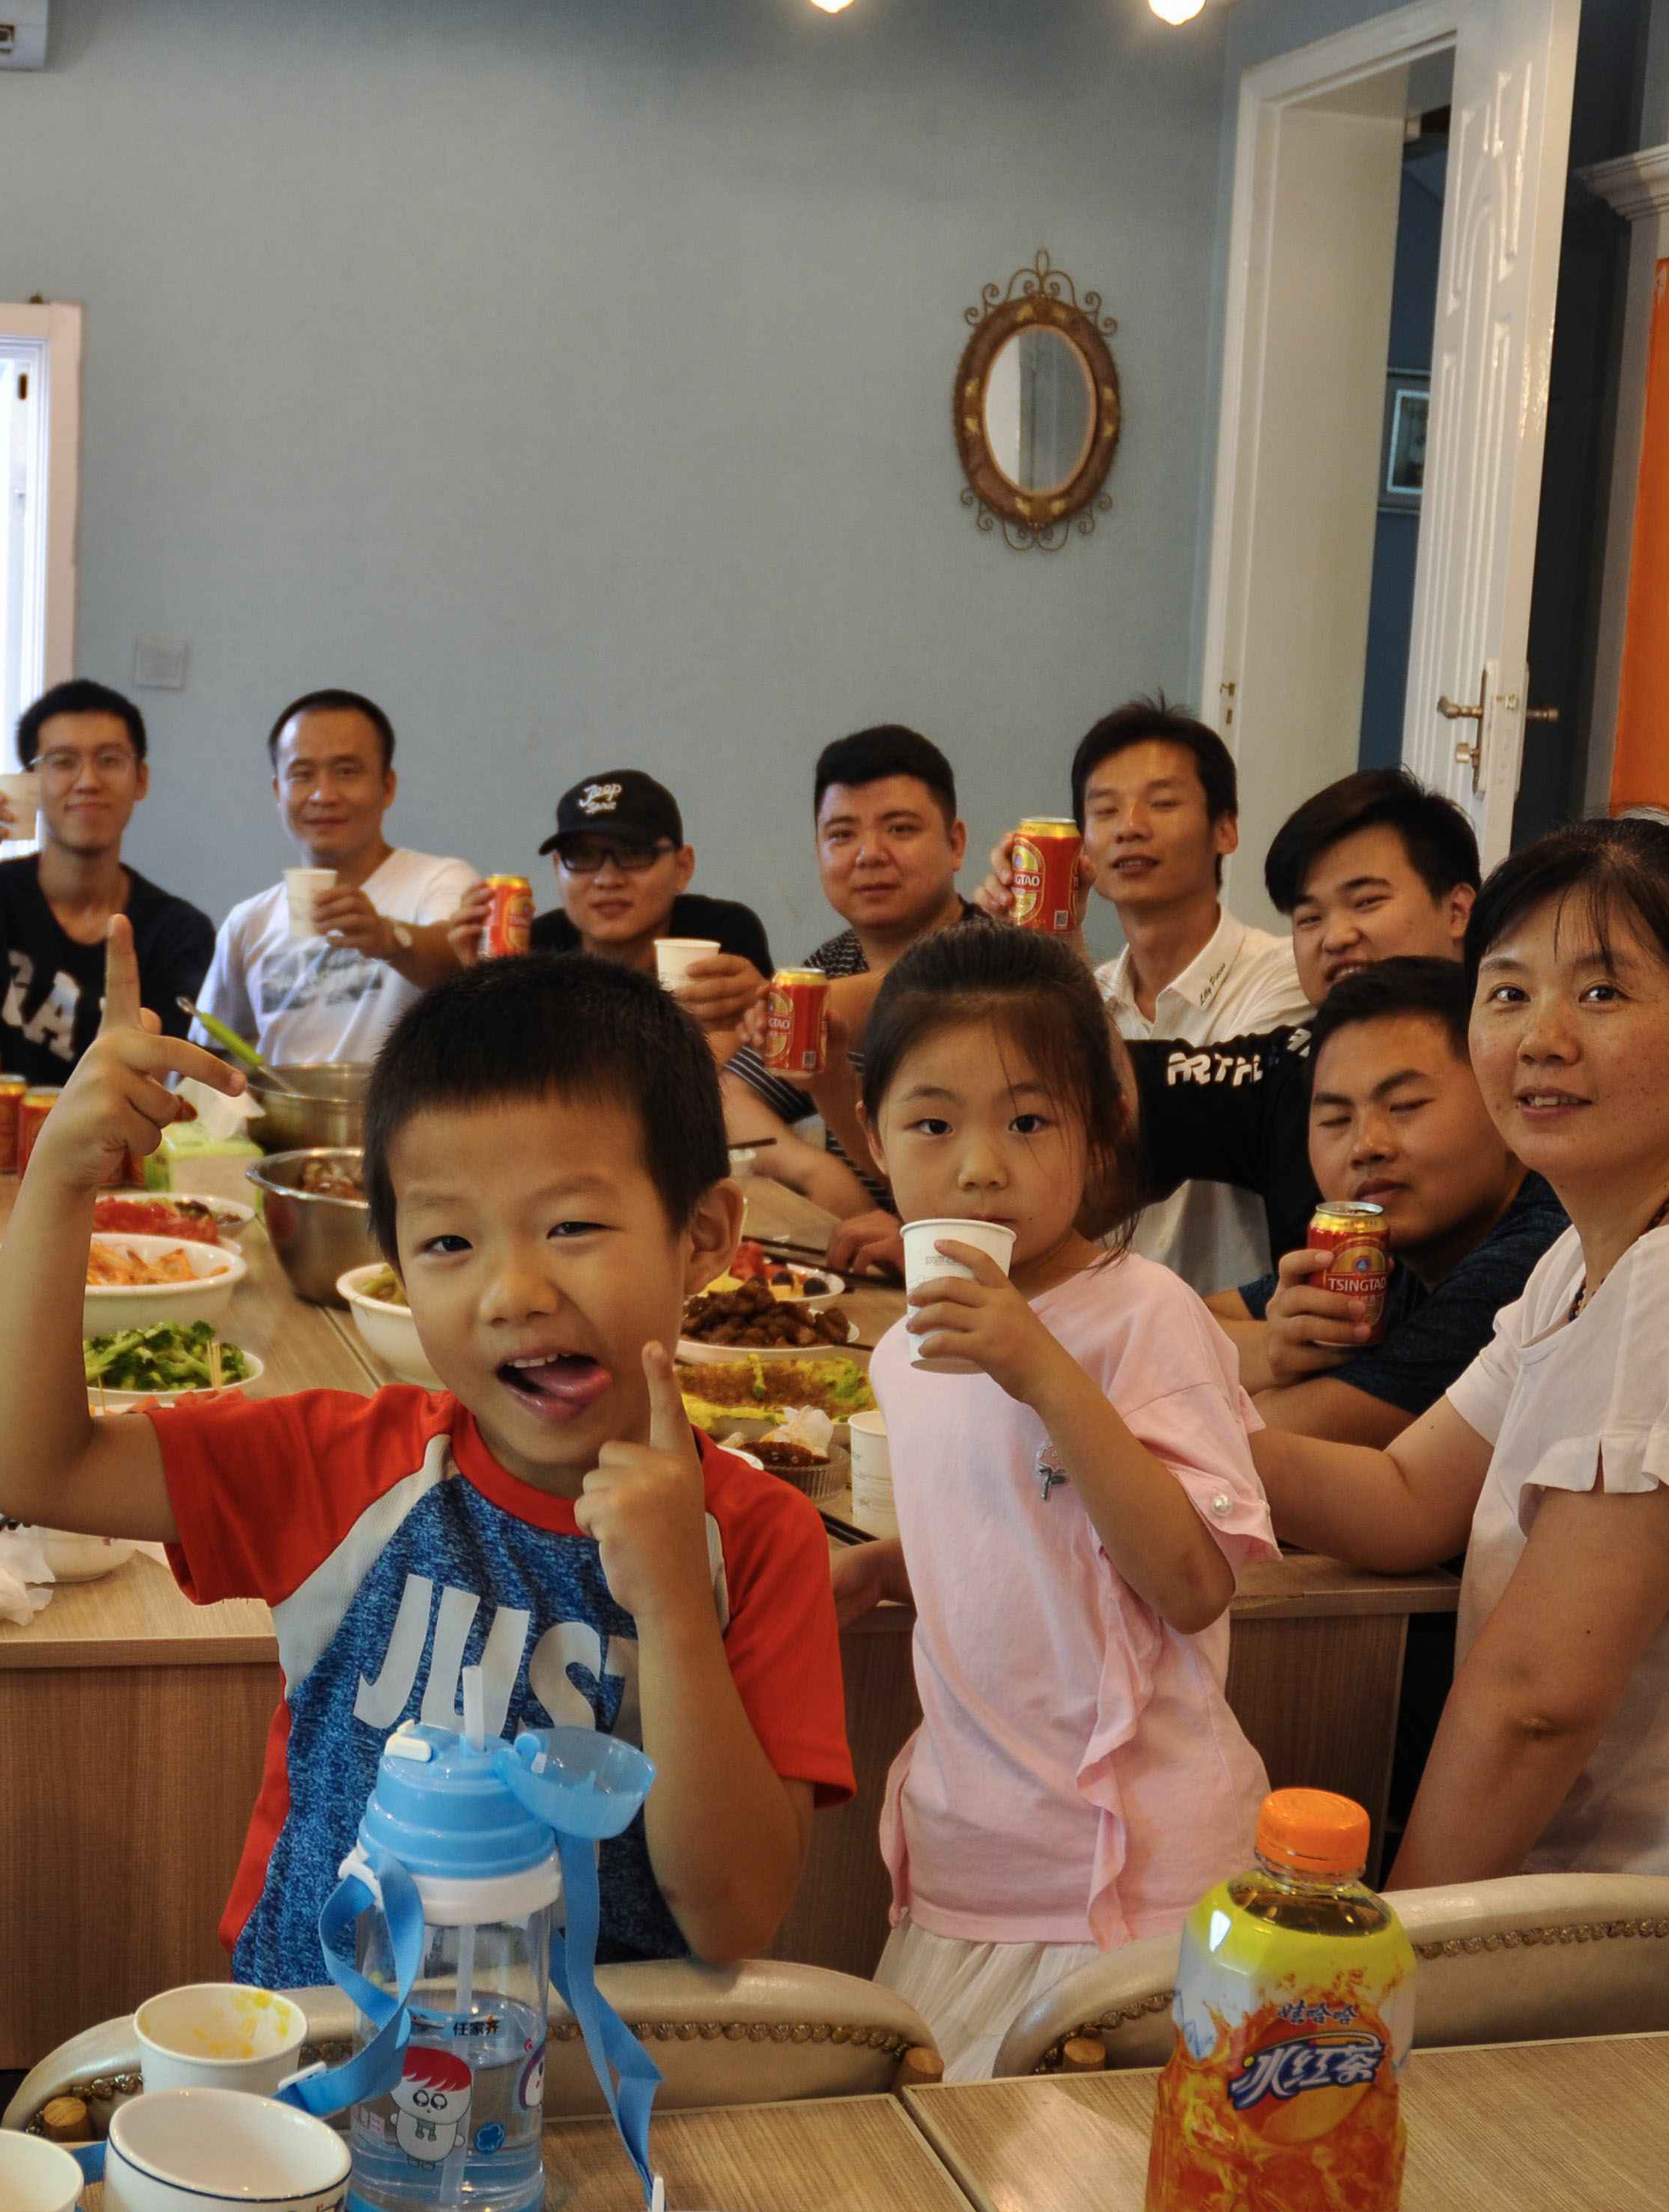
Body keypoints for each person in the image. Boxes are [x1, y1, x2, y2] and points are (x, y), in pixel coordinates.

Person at [0, 933, 854, 1989]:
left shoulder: (755, 1540)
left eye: (572, 1225)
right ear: (393, 1266)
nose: (513, 1293)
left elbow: (732, 1914)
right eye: (448, 1244)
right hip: (323, 2052)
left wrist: (669, 1607)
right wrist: (60, 1179)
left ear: (703, 1235)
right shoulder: (343, 1467)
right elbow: (30, 1469)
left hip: (593, 2069)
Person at [1252, 819, 1669, 2023]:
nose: (1541, 1039)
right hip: (1639, 1908)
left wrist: (1374, 1979)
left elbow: (1537, 1698)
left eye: (1602, 992)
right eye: (1508, 992)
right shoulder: (1585, 1261)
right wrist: (1124, 1430)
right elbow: (1402, 1498)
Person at [823, 920, 1274, 2079]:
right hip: (972, 1855)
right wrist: (891, 1565)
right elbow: (1030, 1537)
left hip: (1132, 1879)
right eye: (932, 1124)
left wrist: (1040, 1367)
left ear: (1098, 1127)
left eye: (1027, 1122)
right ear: (872, 1135)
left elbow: (1190, 1582)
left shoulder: (1144, 1314)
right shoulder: (904, 1350)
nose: (980, 1166)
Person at [1122, 768, 1485, 1267]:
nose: (1335, 937)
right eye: (1309, 918)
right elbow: (1115, 1081)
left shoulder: (1510, 1055)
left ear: (1458, 910)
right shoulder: (1289, 1062)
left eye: (1367, 902)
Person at [1215, 958, 1565, 1447]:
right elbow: (1171, 1324)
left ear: (1506, 1100)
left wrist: (1262, 1371)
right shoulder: (1390, 1250)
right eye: (1336, 1120)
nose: (1366, 1146)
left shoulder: (1536, 1256)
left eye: (1404, 1106)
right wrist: (1273, 1350)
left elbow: (1257, 1438)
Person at [1067, 699, 1308, 1295]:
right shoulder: (1086, 991)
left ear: (1225, 829)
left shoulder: (1285, 975)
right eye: (1105, 810)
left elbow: (1175, 1121)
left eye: (1163, 802)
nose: (1129, 826)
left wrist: (1060, 953)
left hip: (1237, 1326)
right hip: (1093, 1320)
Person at [723, 726, 982, 1257]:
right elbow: (727, 1097)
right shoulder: (832, 962)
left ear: (955, 843)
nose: (869, 855)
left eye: (900, 829)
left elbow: (924, 987)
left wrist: (785, 1006)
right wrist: (812, 1169)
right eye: (842, 835)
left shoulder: (1001, 959)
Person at [0, 679, 216, 1087]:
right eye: (63, 762)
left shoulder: (179, 931)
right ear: (31, 782)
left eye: (109, 760)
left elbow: (158, 1072)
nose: (87, 781)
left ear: (140, 780)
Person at [195, 691, 477, 1065]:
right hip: (282, 1105)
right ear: (278, 791)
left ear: (387, 787)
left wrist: (390, 939)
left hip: (403, 1105)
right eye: (302, 775)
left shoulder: (440, 881)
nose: (323, 795)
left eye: (346, 772)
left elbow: (459, 964)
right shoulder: (249, 922)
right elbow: (212, 1051)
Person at [442, 770, 773, 1026]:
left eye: (633, 853)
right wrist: (479, 987)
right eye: (582, 856)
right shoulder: (534, 950)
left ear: (682, 867)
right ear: (558, 869)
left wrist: (763, 1010)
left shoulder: (722, 935)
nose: (607, 879)